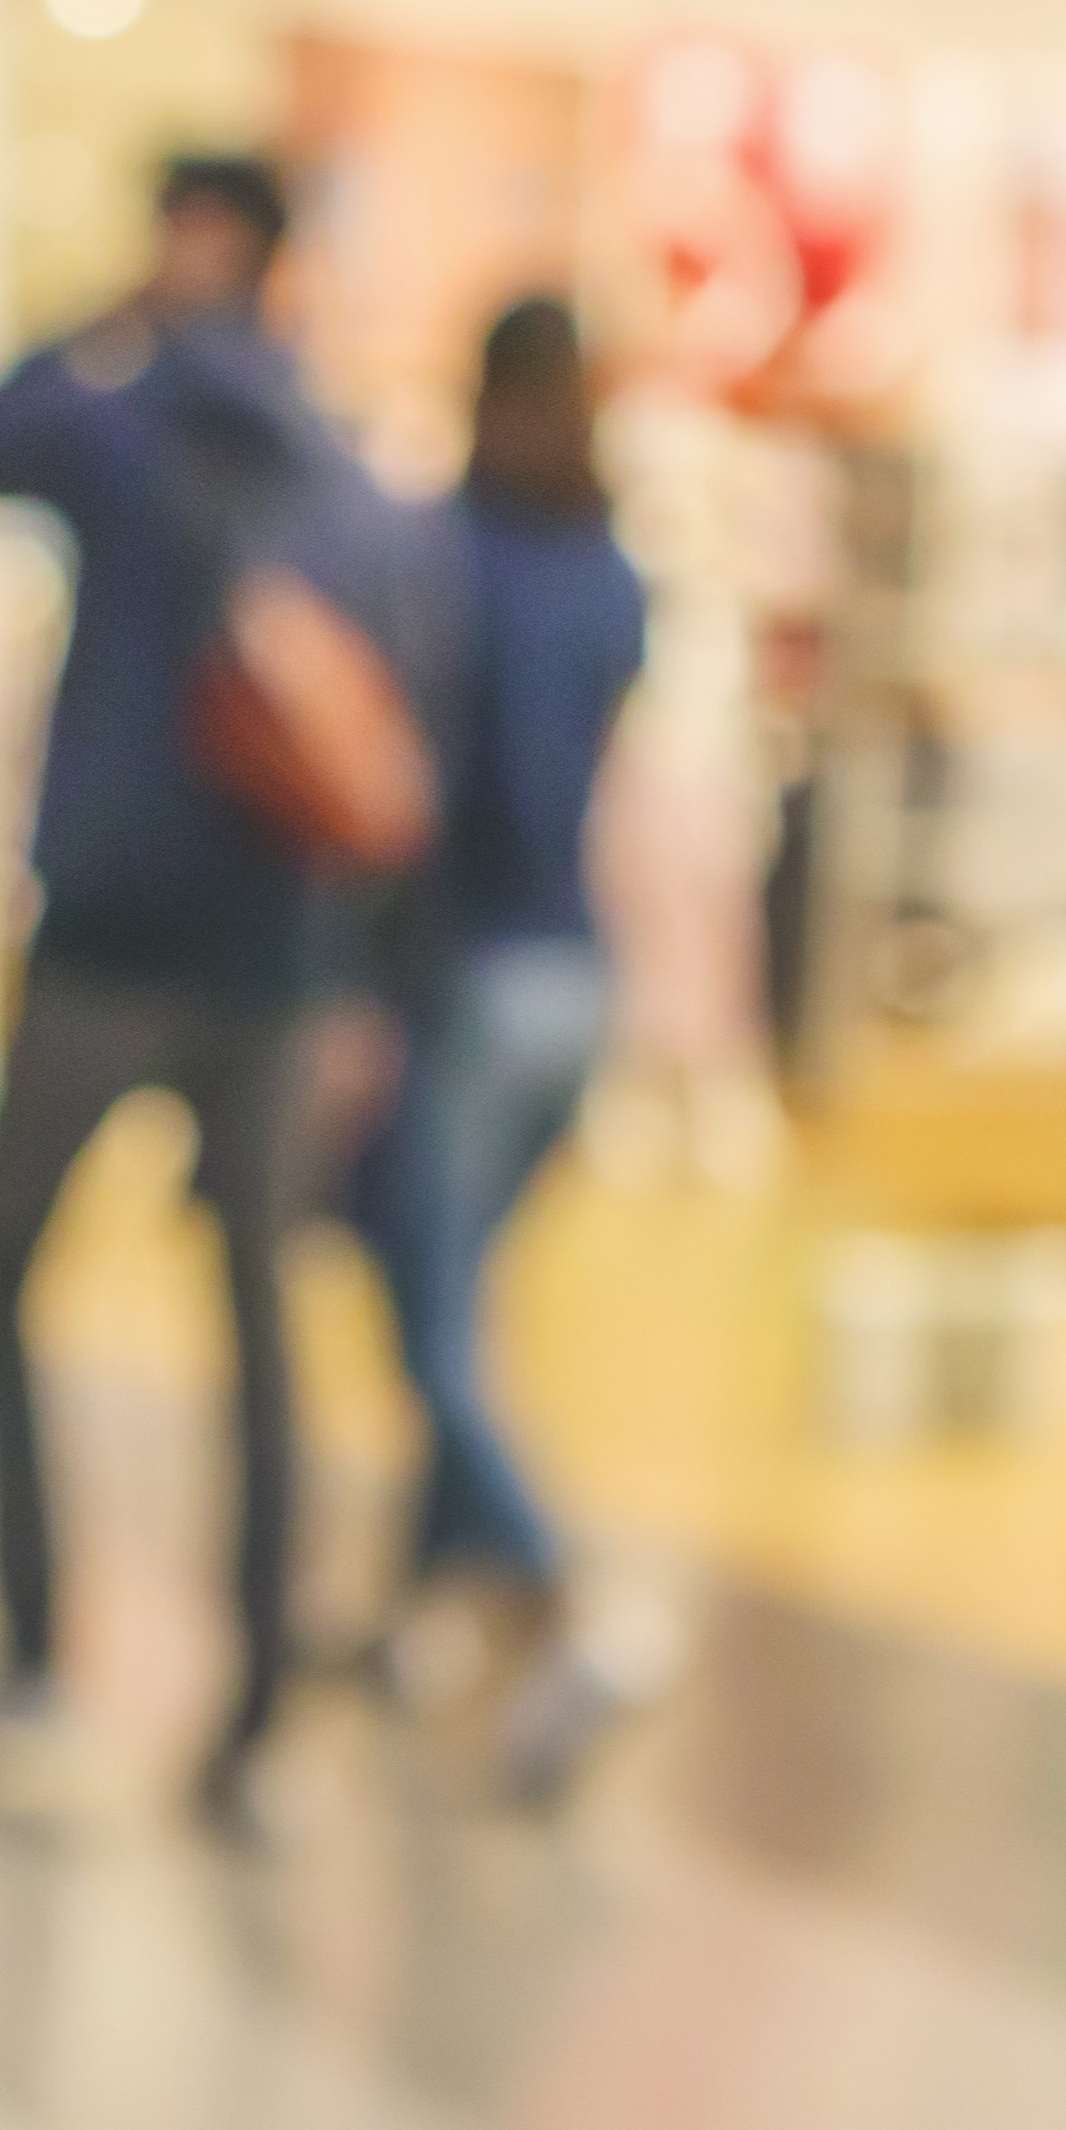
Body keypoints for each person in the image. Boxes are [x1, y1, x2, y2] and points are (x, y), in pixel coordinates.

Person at [0, 154, 454, 1844]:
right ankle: (258, 1722)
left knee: (11, 1266)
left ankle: (30, 1664)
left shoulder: (128, 437)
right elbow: (398, 739)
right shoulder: (352, 475)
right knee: (259, 1331)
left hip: (114, 950)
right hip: (281, 965)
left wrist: (108, 329)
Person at [354, 297, 650, 1810]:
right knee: (457, 1293)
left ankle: (564, 1599)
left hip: (465, 977)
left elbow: (425, 798)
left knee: (429, 1320)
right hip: (575, 975)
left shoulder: (445, 556)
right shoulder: (611, 573)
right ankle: (415, 1615)